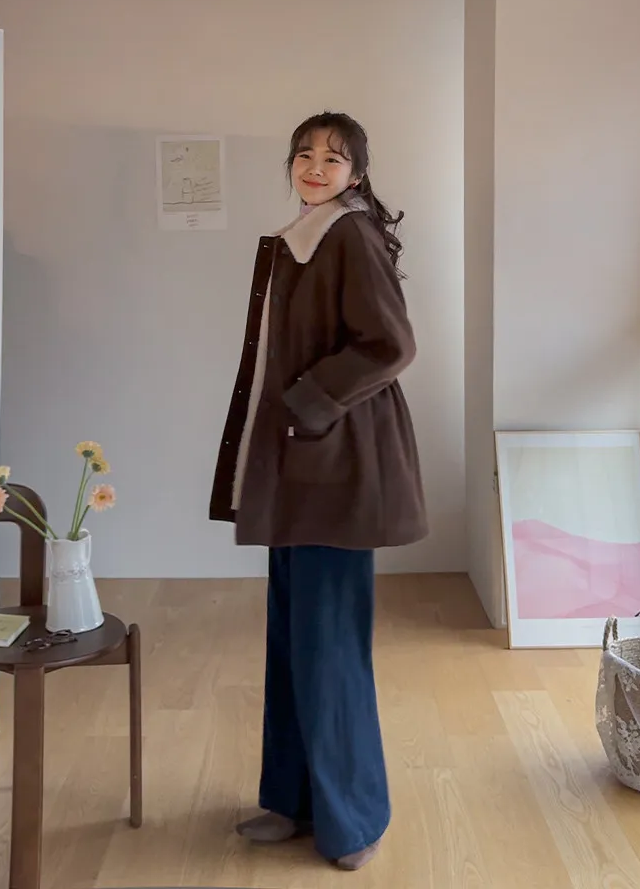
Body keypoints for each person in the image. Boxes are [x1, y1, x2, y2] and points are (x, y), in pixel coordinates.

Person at [209, 112, 427, 871]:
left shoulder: (349, 235)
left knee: (330, 647)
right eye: (304, 154)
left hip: (335, 467)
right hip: (300, 465)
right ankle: (294, 801)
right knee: (295, 642)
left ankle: (354, 822)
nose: (315, 166)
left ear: (356, 174)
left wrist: (306, 403)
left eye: (333, 158)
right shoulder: (303, 236)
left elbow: (391, 344)